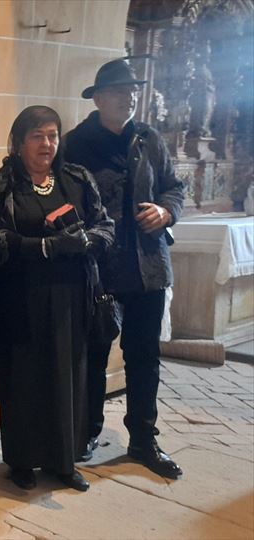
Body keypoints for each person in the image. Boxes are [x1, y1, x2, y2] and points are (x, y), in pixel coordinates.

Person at [0, 105, 114, 492]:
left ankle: (63, 461)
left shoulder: (77, 178)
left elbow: (106, 224)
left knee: (68, 377)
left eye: (52, 135)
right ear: (19, 142)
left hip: (71, 297)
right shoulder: (0, 185)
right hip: (20, 298)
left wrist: (87, 240)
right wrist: (44, 247)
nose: (47, 143)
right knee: (23, 379)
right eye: (37, 136)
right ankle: (22, 460)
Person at [65, 59, 185, 480]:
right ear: (98, 99)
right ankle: (86, 431)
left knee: (144, 356)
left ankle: (143, 439)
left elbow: (174, 186)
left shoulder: (150, 138)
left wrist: (166, 211)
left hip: (147, 266)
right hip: (99, 267)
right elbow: (64, 200)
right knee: (93, 353)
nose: (129, 96)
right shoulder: (76, 144)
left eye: (133, 90)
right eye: (119, 90)